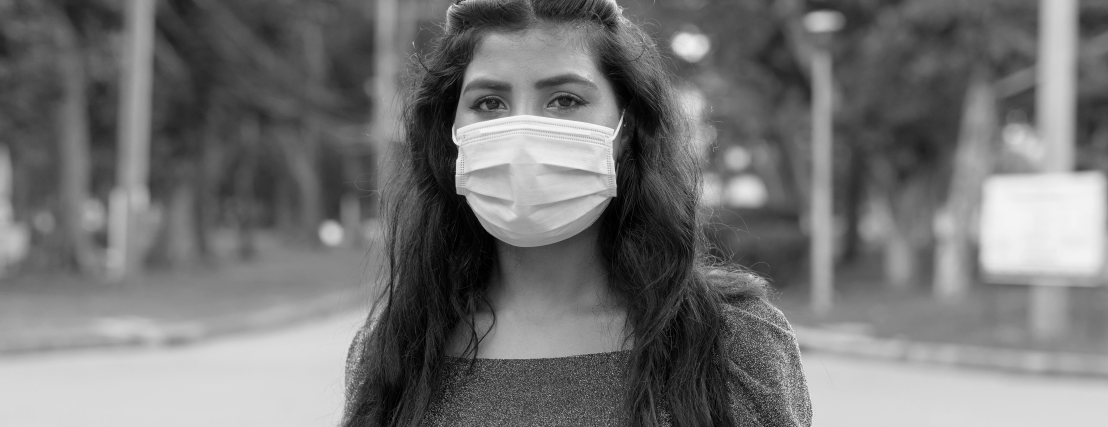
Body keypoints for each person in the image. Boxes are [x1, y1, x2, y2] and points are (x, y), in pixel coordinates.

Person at [344, 0, 811, 425]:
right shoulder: (396, 353)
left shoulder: (733, 345)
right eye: (489, 103)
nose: (521, 132)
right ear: (450, 133)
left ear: (626, 129)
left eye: (565, 100)